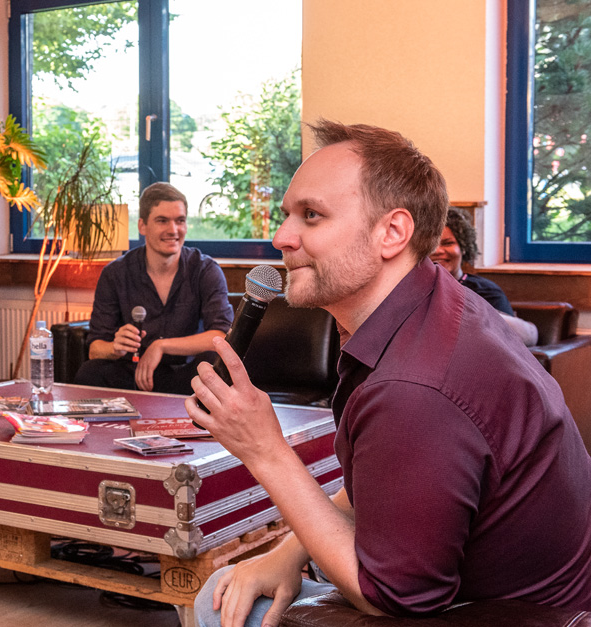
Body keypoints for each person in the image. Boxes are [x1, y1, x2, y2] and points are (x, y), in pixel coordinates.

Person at [188, 121, 591, 627]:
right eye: (287, 215)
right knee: (234, 584)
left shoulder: (414, 387)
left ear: (393, 233)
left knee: (215, 602)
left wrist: (265, 449)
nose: (281, 237)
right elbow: (388, 485)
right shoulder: (432, 305)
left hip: (510, 613)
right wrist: (286, 554)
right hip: (505, 584)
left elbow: (395, 599)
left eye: (311, 215)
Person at [74, 182, 234, 395]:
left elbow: (221, 336)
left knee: (215, 363)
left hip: (186, 375)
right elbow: (95, 349)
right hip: (133, 375)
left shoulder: (205, 269)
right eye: (162, 221)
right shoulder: (115, 273)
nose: (173, 230)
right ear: (142, 226)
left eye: (180, 221)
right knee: (89, 372)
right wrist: (115, 348)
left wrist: (160, 346)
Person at [430, 207, 538, 346]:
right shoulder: (412, 289)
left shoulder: (485, 291)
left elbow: (512, 341)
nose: (438, 251)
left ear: (463, 247)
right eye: (431, 245)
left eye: (448, 243)